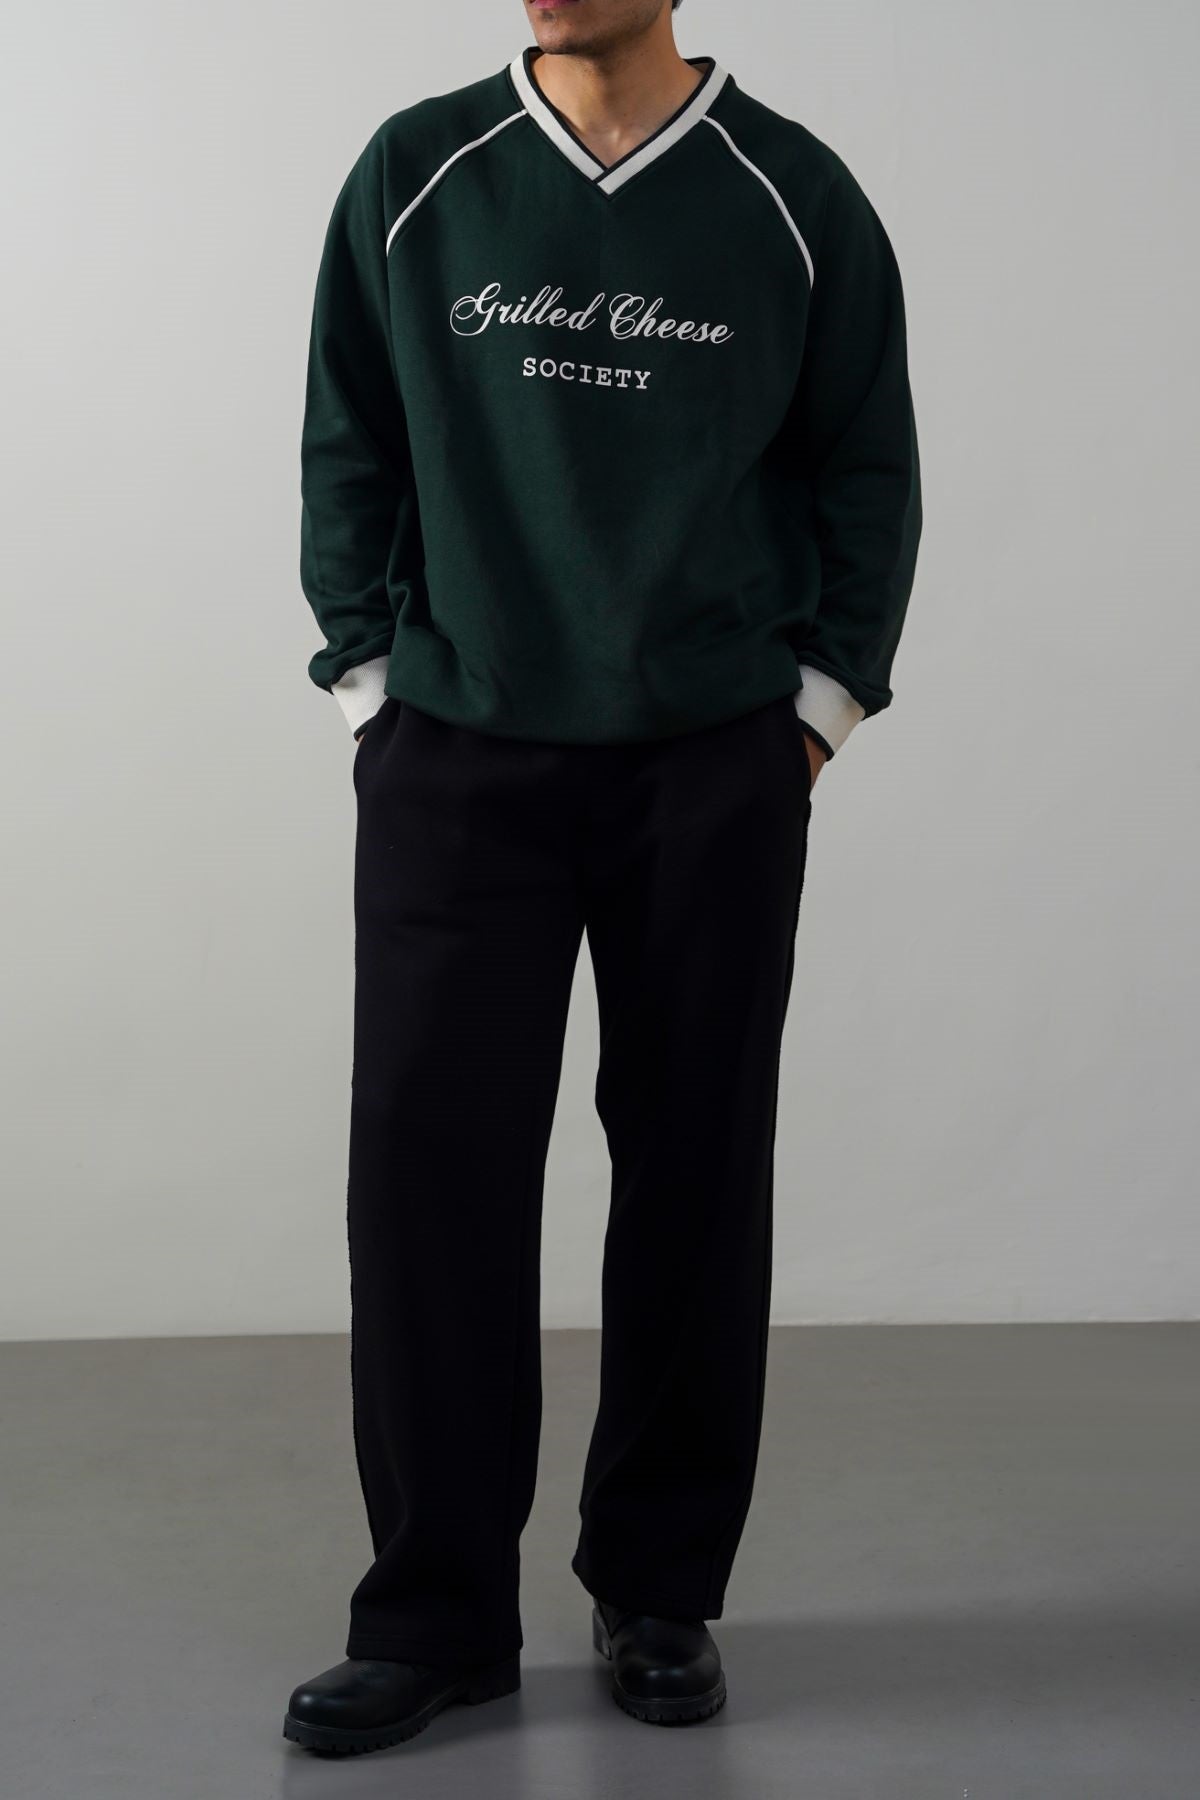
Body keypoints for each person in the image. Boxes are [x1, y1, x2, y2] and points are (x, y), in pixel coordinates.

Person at [283, 0, 921, 1755]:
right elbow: (349, 432)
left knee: (696, 1167)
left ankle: (658, 1588)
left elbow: (868, 462)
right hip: (459, 755)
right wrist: (370, 683)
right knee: (428, 1177)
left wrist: (816, 712)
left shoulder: (791, 196)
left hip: (711, 762)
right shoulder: (421, 173)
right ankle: (433, 1614)